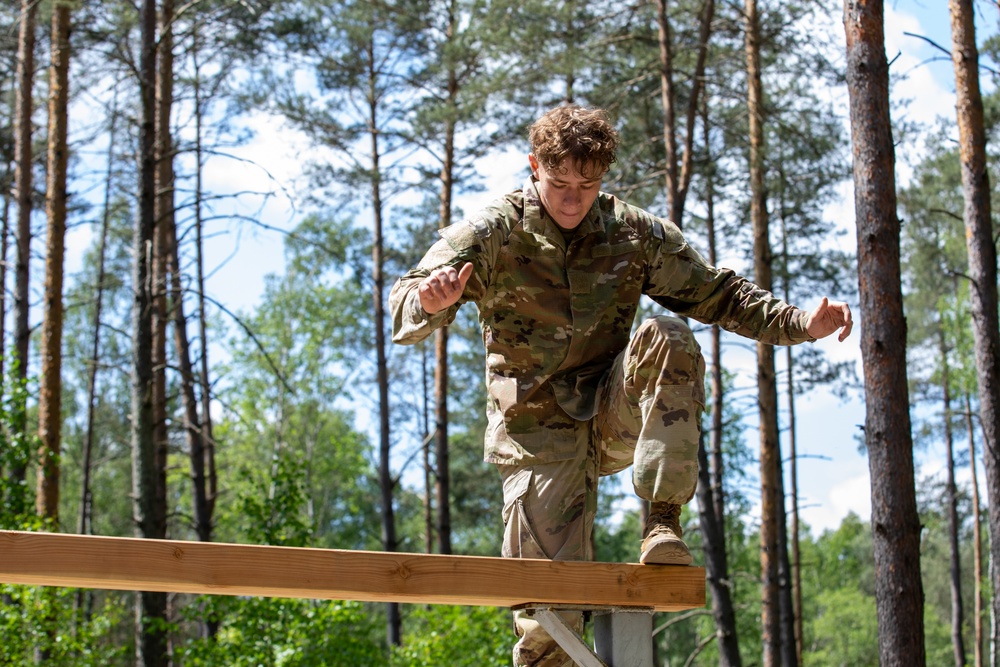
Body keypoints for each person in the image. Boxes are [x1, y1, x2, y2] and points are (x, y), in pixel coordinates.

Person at [389, 104, 852, 667]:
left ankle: (661, 522)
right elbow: (407, 298)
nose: (570, 199)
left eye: (586, 186)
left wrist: (802, 323)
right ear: (533, 167)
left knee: (669, 336)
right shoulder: (493, 231)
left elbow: (719, 294)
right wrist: (427, 302)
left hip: (612, 413)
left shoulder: (633, 233)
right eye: (558, 183)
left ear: (603, 179)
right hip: (535, 435)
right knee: (548, 624)